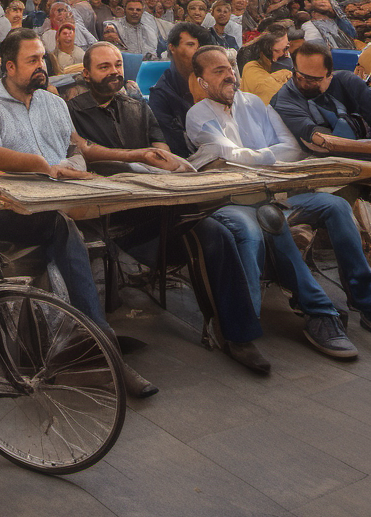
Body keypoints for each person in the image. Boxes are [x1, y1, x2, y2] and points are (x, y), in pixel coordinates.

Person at [0, 29, 157, 397]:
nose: (42, 66)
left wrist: (67, 166)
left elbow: (74, 149)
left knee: (106, 207)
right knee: (59, 225)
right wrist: (44, 167)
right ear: (9, 66)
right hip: (3, 211)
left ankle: (87, 341)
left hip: (58, 197)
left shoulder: (54, 103)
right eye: (32, 60)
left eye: (42, 59)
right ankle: (104, 342)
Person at [67, 42, 269, 373]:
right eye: (104, 67)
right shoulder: (71, 110)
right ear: (86, 73)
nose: (114, 71)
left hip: (158, 205)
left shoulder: (136, 106)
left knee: (217, 234)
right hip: (110, 215)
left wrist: (159, 158)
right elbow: (83, 150)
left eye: (118, 64)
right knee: (205, 234)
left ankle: (238, 336)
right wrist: (136, 157)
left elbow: (158, 144)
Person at [186, 46, 361, 358]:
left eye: (230, 67)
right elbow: (231, 155)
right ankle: (269, 321)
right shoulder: (198, 116)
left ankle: (364, 300)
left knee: (337, 206)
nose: (229, 75)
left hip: (276, 195)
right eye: (218, 71)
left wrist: (256, 159)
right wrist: (269, 156)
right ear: (201, 82)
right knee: (264, 225)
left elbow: (291, 148)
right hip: (235, 200)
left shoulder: (254, 103)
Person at [272, 41, 371, 158]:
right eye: (298, 76)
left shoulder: (347, 81)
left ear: (329, 76)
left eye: (312, 80)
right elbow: (320, 139)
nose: (304, 83)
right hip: (327, 161)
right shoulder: (285, 101)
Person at [149, 22, 210, 157]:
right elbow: (173, 147)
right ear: (172, 48)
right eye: (190, 45)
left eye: (200, 46)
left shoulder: (210, 83)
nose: (197, 50)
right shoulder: (161, 94)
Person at [239, 29, 292, 105]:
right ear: (267, 52)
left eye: (287, 48)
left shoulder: (287, 64)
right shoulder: (251, 69)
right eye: (278, 51)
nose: (286, 54)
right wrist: (284, 74)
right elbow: (276, 96)